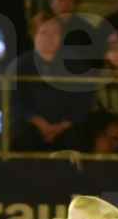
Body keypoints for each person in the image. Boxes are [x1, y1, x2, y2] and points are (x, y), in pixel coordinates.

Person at [10, 13, 94, 152]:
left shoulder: (77, 65)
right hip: (29, 126)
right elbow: (15, 102)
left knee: (79, 140)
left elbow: (84, 100)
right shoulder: (20, 65)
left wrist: (62, 126)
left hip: (69, 127)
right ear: (33, 35)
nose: (50, 38)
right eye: (44, 32)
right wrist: (40, 123)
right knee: (22, 140)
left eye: (55, 33)